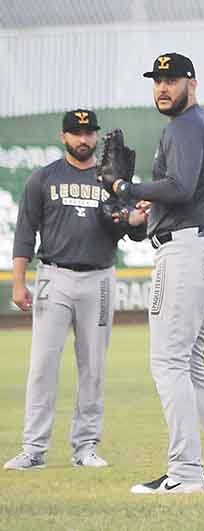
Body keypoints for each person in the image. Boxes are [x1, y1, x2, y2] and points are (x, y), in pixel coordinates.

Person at [100, 52, 204, 493]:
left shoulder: (185, 126)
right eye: (157, 80)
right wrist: (149, 206)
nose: (163, 87)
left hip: (186, 252)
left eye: (172, 79)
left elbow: (181, 187)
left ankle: (185, 472)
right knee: (192, 365)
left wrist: (126, 187)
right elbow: (185, 192)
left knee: (169, 363)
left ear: (193, 83)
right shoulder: (202, 126)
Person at [5, 109, 147, 471]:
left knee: (94, 367)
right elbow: (25, 232)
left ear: (97, 137)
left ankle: (85, 447)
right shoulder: (44, 178)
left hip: (99, 278)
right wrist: (19, 282)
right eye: (76, 132)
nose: (83, 139)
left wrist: (135, 216)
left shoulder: (112, 181)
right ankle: (34, 449)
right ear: (63, 136)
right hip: (54, 276)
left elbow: (130, 231)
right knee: (42, 366)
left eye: (89, 132)